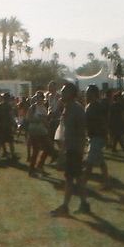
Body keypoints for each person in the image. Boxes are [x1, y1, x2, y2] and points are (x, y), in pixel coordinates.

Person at [50, 83, 90, 217]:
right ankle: (84, 204)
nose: (61, 94)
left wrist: (69, 150)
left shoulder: (75, 109)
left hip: (74, 149)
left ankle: (65, 207)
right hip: (72, 148)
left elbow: (80, 131)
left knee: (69, 179)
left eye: (63, 92)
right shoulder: (68, 108)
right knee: (77, 178)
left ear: (71, 94)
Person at [83, 85, 110, 189]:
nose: (86, 94)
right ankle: (107, 182)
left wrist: (106, 136)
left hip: (97, 137)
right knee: (100, 161)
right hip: (93, 137)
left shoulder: (96, 107)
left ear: (93, 94)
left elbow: (103, 122)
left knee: (89, 162)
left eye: (88, 92)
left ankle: (83, 183)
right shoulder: (89, 106)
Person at [25, 92, 52, 176]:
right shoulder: (32, 107)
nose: (38, 99)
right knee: (36, 150)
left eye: (40, 97)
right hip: (34, 131)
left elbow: (45, 119)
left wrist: (47, 125)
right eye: (37, 97)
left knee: (47, 148)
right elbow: (28, 119)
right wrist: (38, 119)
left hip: (42, 131)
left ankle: (39, 166)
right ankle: (32, 169)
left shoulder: (44, 107)